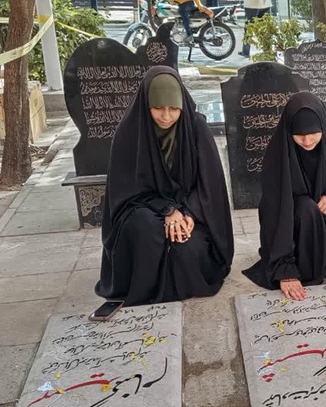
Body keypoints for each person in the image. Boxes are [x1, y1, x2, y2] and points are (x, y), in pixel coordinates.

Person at [96, 67, 234, 305]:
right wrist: (167, 210)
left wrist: (187, 213)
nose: (166, 116)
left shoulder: (196, 128)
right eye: (158, 107)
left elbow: (210, 187)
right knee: (145, 229)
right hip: (142, 207)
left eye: (174, 108)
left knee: (184, 248)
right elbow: (124, 192)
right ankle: (144, 288)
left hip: (191, 209)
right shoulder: (129, 133)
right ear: (146, 103)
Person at [243, 92, 326, 299]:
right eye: (299, 135)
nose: (307, 141)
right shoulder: (279, 149)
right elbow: (276, 207)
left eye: (314, 133)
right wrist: (285, 270)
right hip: (297, 208)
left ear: (323, 126)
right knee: (307, 211)